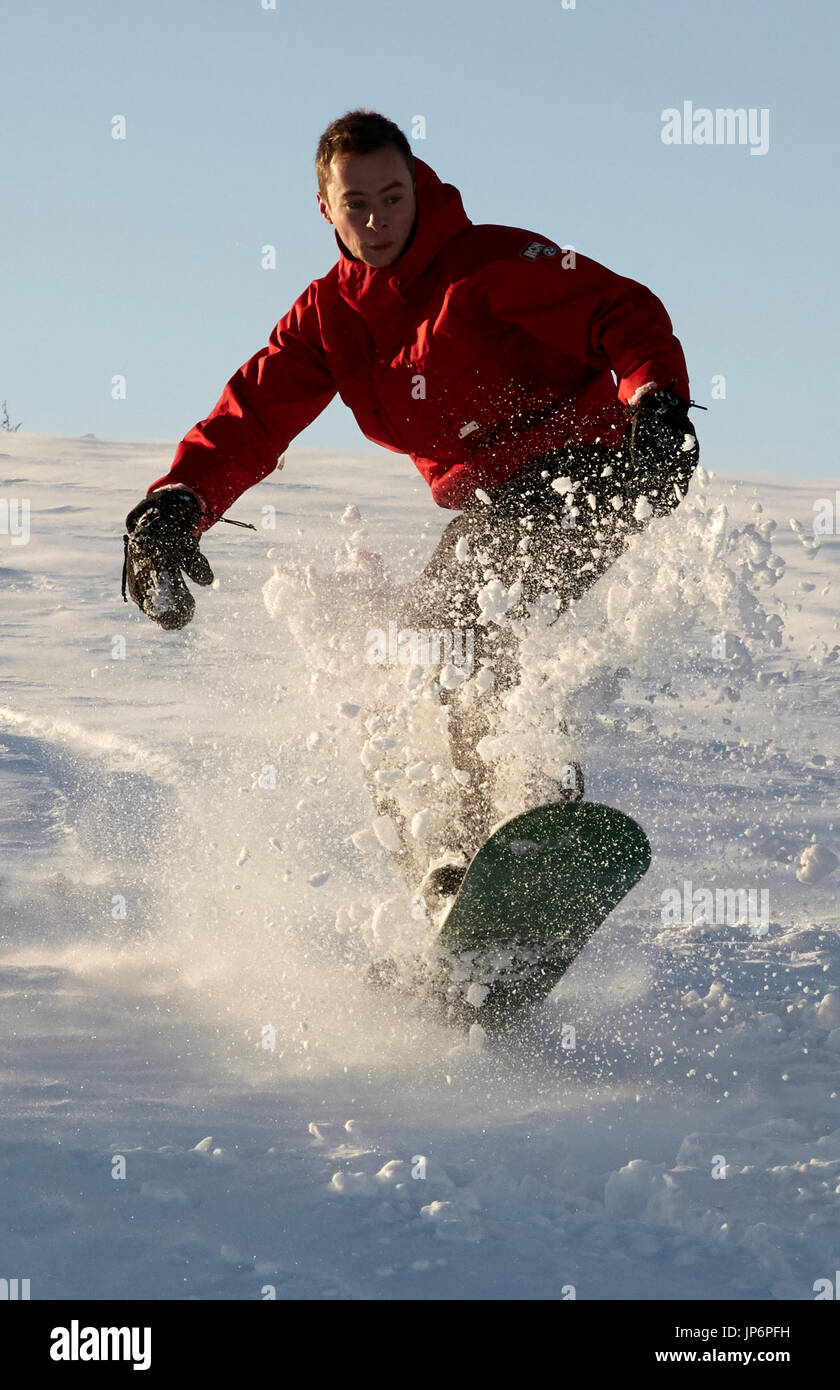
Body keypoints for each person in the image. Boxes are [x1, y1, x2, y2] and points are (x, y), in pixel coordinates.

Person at [122, 108, 700, 893]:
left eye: (392, 196)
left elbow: (617, 309)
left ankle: (542, 815)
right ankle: (457, 871)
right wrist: (179, 503)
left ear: (417, 186)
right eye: (355, 203)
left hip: (588, 470)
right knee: (422, 657)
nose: (377, 217)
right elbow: (254, 415)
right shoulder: (331, 317)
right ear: (325, 208)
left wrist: (656, 400)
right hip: (495, 502)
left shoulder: (487, 262)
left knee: (470, 617)